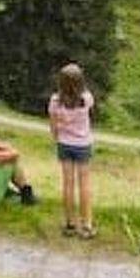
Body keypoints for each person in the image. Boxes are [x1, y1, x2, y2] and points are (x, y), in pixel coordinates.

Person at [48, 61, 96, 238]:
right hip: (83, 144)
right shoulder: (86, 99)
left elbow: (53, 126)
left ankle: (70, 223)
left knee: (67, 184)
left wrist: (57, 138)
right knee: (84, 185)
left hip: (64, 143)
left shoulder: (55, 101)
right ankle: (87, 225)